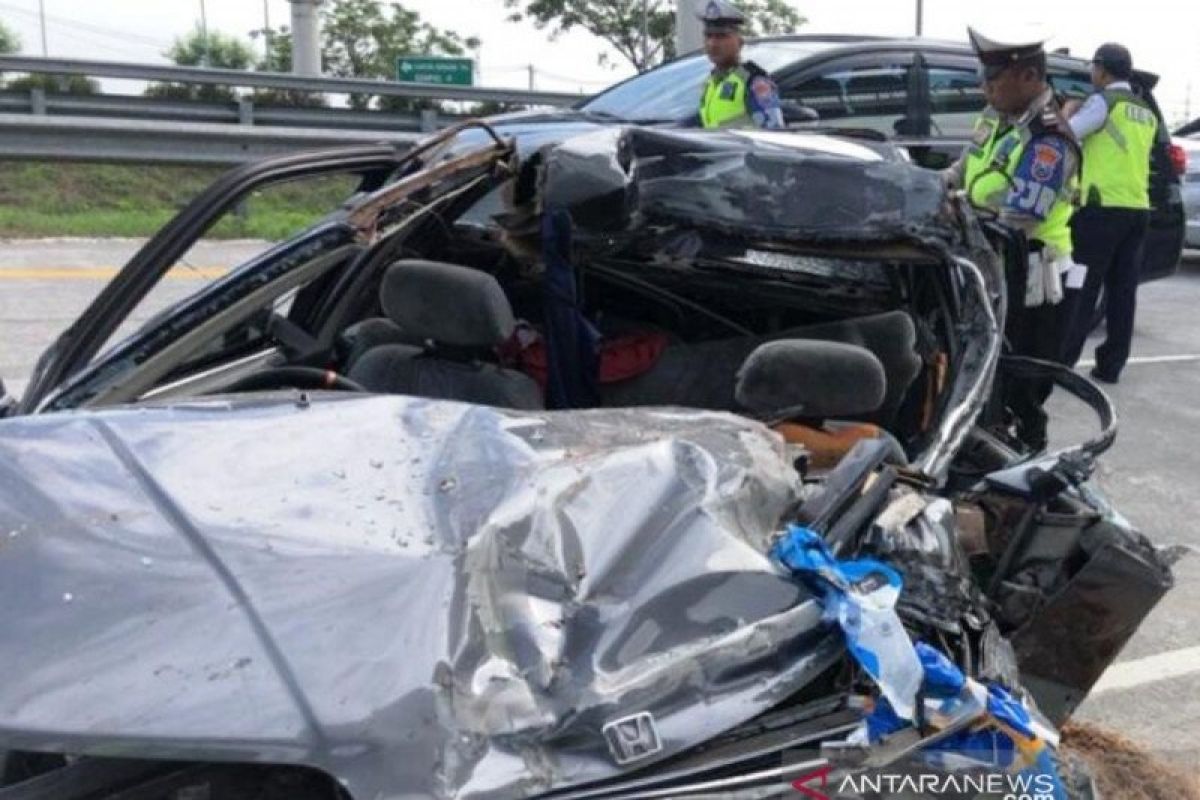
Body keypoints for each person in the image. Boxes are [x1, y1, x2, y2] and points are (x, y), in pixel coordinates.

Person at [943, 26, 1081, 449]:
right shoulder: (996, 119)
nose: (985, 87)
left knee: (1020, 385)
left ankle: (1026, 457)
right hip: (990, 268)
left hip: (1033, 281)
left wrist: (957, 212)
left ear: (1027, 76)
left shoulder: (1049, 140)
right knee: (982, 372)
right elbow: (958, 172)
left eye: (993, 78)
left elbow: (1021, 216)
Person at [1059, 44, 1158, 384]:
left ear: (1102, 69)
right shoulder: (1145, 109)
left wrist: (1069, 110)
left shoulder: (1103, 102)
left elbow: (1069, 133)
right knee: (1122, 291)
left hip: (1101, 210)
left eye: (1093, 68)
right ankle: (1111, 365)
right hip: (1137, 209)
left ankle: (1063, 362)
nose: (1091, 74)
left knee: (1082, 287)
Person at [694, 0, 784, 130]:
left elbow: (774, 134)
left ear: (740, 43)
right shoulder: (710, 83)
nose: (712, 44)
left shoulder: (754, 82)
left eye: (721, 36)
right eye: (708, 36)